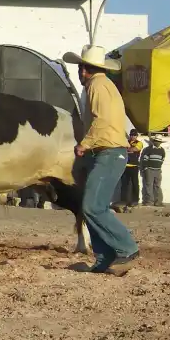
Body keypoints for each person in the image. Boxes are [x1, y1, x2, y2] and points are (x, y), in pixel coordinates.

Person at [62, 45, 140, 276]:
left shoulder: (97, 86)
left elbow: (102, 120)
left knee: (92, 206)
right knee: (93, 206)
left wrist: (83, 144)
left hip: (109, 151)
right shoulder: (106, 86)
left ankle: (127, 247)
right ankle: (105, 258)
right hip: (108, 152)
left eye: (79, 68)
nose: (78, 72)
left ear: (85, 69)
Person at [120, 130, 143, 210]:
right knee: (124, 184)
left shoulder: (139, 143)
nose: (133, 136)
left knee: (135, 183)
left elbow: (135, 149)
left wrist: (127, 149)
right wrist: (128, 148)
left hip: (134, 166)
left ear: (136, 136)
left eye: (134, 135)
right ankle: (124, 200)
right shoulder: (126, 142)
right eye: (132, 135)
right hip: (125, 165)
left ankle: (135, 200)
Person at [141, 135, 166, 206]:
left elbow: (162, 159)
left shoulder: (162, 150)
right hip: (149, 170)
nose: (157, 143)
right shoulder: (148, 149)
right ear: (154, 141)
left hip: (158, 171)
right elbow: (145, 159)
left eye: (159, 142)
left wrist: (158, 167)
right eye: (156, 141)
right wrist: (146, 168)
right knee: (149, 186)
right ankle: (150, 202)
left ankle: (158, 202)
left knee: (157, 186)